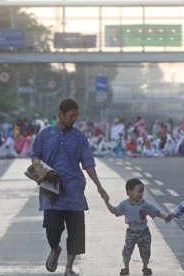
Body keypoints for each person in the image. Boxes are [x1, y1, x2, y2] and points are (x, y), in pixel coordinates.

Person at [31, 97, 109, 276]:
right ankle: (55, 248)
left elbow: (88, 163)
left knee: (75, 231)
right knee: (52, 228)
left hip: (74, 191)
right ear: (60, 114)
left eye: (76, 116)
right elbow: (35, 156)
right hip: (51, 190)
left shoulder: (80, 138)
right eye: (71, 116)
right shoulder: (45, 135)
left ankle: (68, 268)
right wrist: (43, 173)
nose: (74, 119)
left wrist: (99, 186)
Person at [104, 178, 167, 276]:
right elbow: (114, 211)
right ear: (129, 192)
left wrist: (165, 217)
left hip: (144, 232)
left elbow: (155, 212)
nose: (141, 194)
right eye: (139, 191)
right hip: (131, 232)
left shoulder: (145, 204)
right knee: (127, 250)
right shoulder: (124, 204)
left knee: (146, 250)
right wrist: (106, 202)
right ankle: (126, 268)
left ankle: (145, 267)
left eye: (142, 192)